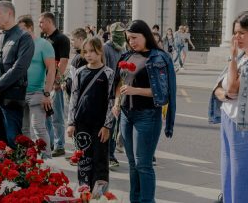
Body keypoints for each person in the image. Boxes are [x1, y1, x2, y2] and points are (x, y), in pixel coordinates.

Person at [112, 20, 176, 203]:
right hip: (126, 114)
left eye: (134, 37)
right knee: (132, 165)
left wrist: (135, 91)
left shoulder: (158, 58)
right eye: (128, 38)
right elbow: (119, 84)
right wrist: (117, 103)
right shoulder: (127, 56)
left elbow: (163, 94)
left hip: (147, 115)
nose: (131, 41)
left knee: (144, 165)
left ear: (145, 35)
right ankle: (135, 200)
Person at [208, 11, 248, 203]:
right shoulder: (241, 57)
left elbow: (231, 88)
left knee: (245, 182)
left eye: (242, 33)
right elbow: (218, 89)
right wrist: (223, 94)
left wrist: (232, 59)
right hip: (228, 121)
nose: (236, 38)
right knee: (228, 177)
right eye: (235, 33)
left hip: (247, 129)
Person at [0, 1, 34, 148]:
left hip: (12, 98)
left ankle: (19, 171)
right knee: (0, 143)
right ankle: (2, 170)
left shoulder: (24, 38)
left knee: (13, 141)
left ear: (9, 13)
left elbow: (19, 68)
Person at [67, 36, 114, 190]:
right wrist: (71, 123)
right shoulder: (80, 72)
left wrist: (107, 125)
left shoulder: (108, 73)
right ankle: (84, 191)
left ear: (100, 51)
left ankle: (99, 195)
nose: (88, 55)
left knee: (100, 160)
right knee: (84, 160)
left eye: (92, 51)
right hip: (82, 124)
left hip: (100, 126)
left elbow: (111, 101)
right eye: (85, 52)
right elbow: (73, 98)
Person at [18, 15, 56, 158]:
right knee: (24, 129)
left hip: (37, 93)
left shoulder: (43, 44)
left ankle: (46, 159)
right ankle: (28, 158)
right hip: (21, 93)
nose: (20, 33)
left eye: (22, 30)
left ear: (30, 28)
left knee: (39, 127)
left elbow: (51, 70)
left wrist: (47, 94)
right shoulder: (20, 45)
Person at [39, 12, 70, 157]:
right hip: (44, 83)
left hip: (54, 84)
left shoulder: (61, 39)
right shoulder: (43, 38)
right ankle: (49, 142)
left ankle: (60, 145)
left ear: (49, 22)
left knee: (57, 115)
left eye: (41, 22)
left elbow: (63, 61)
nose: (39, 25)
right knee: (46, 116)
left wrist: (57, 80)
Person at [103, 22, 126, 168]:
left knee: (115, 125)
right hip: (107, 92)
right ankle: (108, 155)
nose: (120, 36)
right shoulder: (105, 48)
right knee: (108, 124)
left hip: (119, 91)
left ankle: (111, 154)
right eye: (117, 33)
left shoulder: (122, 49)